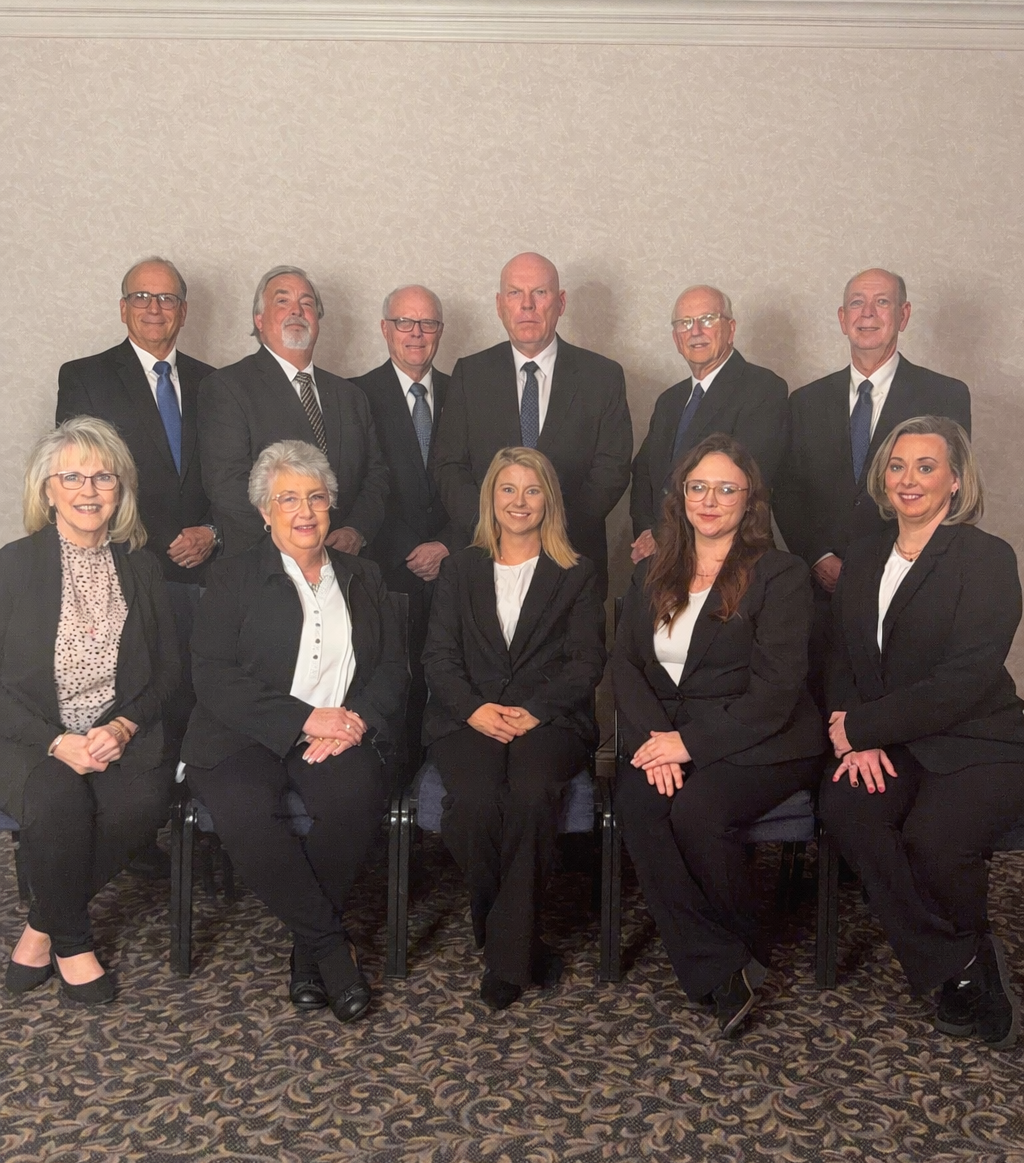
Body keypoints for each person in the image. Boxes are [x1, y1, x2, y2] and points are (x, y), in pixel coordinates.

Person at [181, 441, 406, 1024]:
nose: (304, 511)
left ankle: (307, 952)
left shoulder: (363, 575)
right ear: (264, 511)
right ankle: (329, 950)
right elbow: (211, 674)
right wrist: (303, 718)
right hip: (241, 735)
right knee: (248, 812)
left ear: (331, 505)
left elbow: (391, 667)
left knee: (354, 797)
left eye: (315, 497)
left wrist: (356, 720)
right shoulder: (232, 575)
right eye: (288, 499)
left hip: (338, 731)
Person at [820, 416, 1024, 1050]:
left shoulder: (987, 557)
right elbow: (842, 655)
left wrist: (862, 725)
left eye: (926, 467)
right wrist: (855, 731)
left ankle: (960, 975)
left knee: (935, 838)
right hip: (894, 742)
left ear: (955, 482)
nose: (909, 480)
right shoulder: (863, 553)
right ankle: (963, 965)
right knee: (847, 809)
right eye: (898, 466)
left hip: (979, 740)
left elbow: (962, 681)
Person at [613, 434, 824, 1037]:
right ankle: (724, 964)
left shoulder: (779, 574)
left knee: (698, 811)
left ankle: (737, 949)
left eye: (726, 489)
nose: (710, 500)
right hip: (667, 735)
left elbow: (777, 691)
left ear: (749, 499)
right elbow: (624, 664)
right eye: (698, 487)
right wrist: (656, 740)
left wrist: (688, 746)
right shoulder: (653, 570)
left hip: (766, 739)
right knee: (638, 804)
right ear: (679, 496)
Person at [1, 417, 180, 1004]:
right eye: (72, 476)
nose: (88, 489)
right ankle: (73, 941)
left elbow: (168, 673)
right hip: (30, 736)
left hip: (117, 734)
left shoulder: (142, 567)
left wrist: (124, 726)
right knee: (57, 797)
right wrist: (57, 743)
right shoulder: (13, 565)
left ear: (121, 490)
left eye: (103, 476)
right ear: (47, 489)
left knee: (145, 800)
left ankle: (40, 925)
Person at [422, 447, 606, 1009]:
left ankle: (504, 954)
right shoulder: (459, 568)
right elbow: (437, 657)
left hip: (548, 719)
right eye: (508, 489)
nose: (519, 501)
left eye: (532, 490)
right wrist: (474, 708)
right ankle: (517, 940)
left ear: (548, 499)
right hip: (466, 716)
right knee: (475, 800)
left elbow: (585, 661)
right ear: (490, 498)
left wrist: (534, 710)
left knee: (530, 795)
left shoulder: (575, 572)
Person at [774, 268, 971, 698]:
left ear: (903, 315)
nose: (868, 313)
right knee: (821, 708)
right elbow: (787, 490)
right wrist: (817, 555)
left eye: (881, 302)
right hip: (821, 591)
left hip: (907, 587)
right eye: (857, 303)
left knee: (895, 709)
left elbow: (949, 493)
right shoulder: (805, 401)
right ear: (843, 318)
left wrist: (896, 563)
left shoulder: (945, 395)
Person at [57, 257, 216, 750]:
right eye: (142, 297)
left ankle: (195, 798)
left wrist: (212, 531)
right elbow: (79, 476)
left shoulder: (215, 382)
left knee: (200, 686)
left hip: (207, 566)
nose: (154, 308)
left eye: (166, 298)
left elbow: (233, 473)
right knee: (139, 690)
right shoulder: (86, 376)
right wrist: (154, 533)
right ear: (123, 309)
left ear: (183, 311)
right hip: (125, 561)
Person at [431, 252, 632, 597]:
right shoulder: (470, 374)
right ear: (499, 305)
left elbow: (611, 469)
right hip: (487, 560)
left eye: (539, 293)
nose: (527, 305)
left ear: (561, 302)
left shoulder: (603, 377)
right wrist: (493, 530)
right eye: (514, 293)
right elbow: (450, 465)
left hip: (574, 561)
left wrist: (552, 531)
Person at [198, 265, 389, 557]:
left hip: (343, 564)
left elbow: (375, 476)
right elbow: (226, 484)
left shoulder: (351, 396)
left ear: (318, 321)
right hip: (265, 565)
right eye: (283, 301)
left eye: (307, 303)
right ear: (259, 319)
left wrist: (356, 531)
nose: (297, 310)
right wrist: (296, 539)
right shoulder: (227, 387)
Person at [351, 285, 457, 763]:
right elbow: (362, 482)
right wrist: (408, 550)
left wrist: (447, 545)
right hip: (386, 569)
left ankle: (444, 781)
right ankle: (398, 793)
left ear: (440, 331)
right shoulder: (355, 395)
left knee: (453, 677)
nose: (416, 334)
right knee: (396, 682)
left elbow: (477, 479)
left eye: (428, 323)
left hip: (458, 564)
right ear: (384, 329)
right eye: (404, 323)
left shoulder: (464, 393)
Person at [630, 286, 789, 563]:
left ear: (731, 328)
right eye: (685, 323)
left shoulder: (763, 389)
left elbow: (746, 480)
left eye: (707, 319)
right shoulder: (670, 400)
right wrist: (647, 530)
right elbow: (645, 474)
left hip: (732, 560)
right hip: (662, 561)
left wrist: (662, 534)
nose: (695, 331)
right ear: (676, 338)